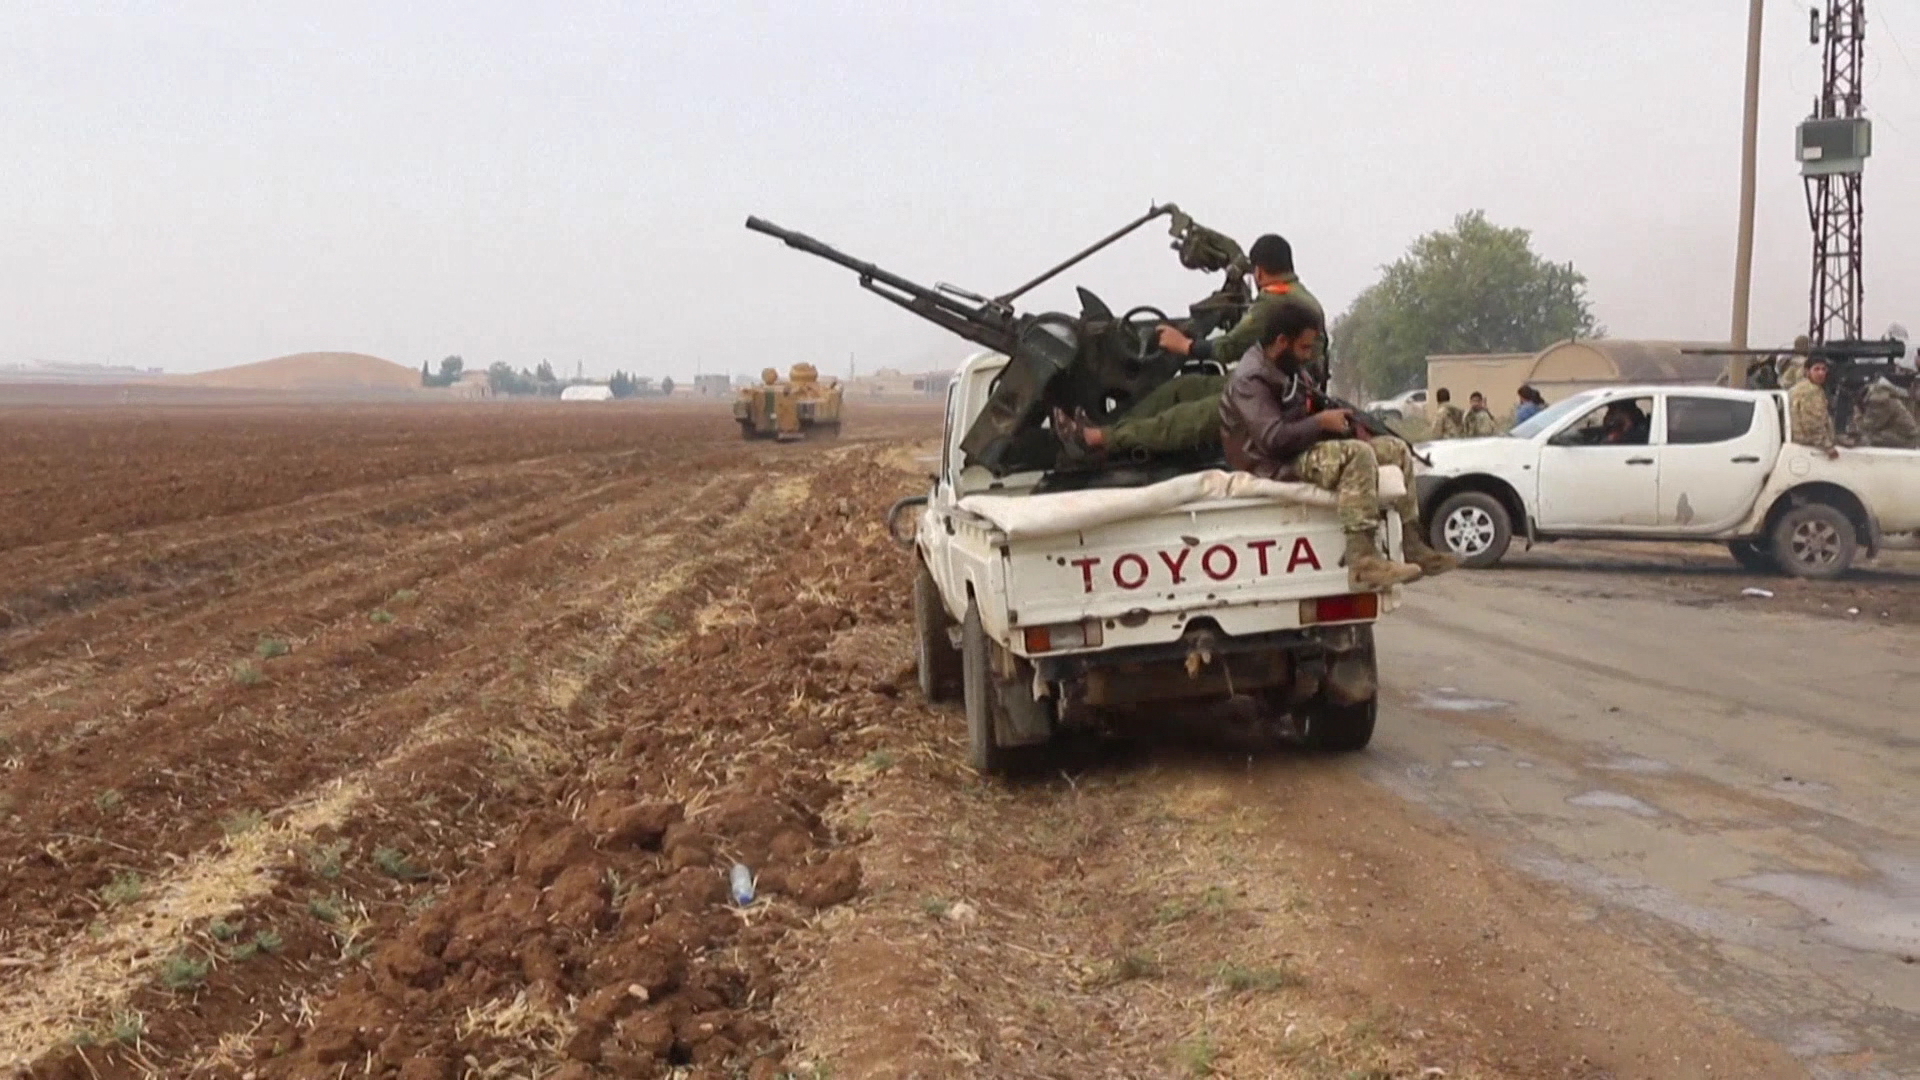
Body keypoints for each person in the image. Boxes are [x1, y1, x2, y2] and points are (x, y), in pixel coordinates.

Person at [1217, 301, 1460, 591]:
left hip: (1299, 447)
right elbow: (1272, 439)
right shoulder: (1251, 380)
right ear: (1282, 341)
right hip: (1272, 462)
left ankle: (1412, 544)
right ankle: (1363, 561)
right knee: (1357, 455)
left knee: (1395, 449)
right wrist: (1321, 423)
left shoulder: (1287, 368)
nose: (1308, 356)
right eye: (1304, 348)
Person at [1155, 233, 1327, 382]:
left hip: (1279, 390)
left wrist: (1184, 344)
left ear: (1258, 272)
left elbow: (1229, 348)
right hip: (1297, 384)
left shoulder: (1272, 302)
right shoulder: (1304, 297)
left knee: (1184, 388)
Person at [1789, 357, 1840, 459]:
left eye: (1823, 369)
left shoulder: (1803, 387)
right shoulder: (1811, 391)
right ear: (1807, 371)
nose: (1821, 373)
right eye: (1816, 369)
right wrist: (1828, 446)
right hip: (1810, 447)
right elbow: (1812, 422)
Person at [1857, 376, 1920, 448]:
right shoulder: (1883, 395)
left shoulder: (1879, 399)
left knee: (1867, 439)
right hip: (1904, 436)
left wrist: (1857, 414)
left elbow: (1869, 426)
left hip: (1906, 440)